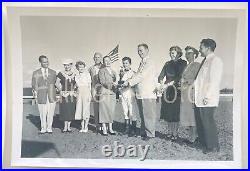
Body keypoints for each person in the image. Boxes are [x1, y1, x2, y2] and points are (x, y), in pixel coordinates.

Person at [123, 43, 158, 141]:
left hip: (148, 92)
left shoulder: (150, 62)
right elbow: (136, 75)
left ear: (147, 50)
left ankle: (150, 134)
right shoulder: (142, 62)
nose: (139, 53)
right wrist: (128, 80)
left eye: (141, 50)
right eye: (138, 51)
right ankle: (143, 132)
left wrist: (128, 82)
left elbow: (142, 75)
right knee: (143, 114)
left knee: (148, 114)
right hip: (140, 92)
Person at [194, 38, 223, 154]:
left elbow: (214, 80)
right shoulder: (205, 61)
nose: (199, 50)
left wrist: (208, 96)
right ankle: (204, 143)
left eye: (201, 48)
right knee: (201, 121)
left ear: (208, 48)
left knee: (208, 122)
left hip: (207, 98)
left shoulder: (216, 61)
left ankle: (213, 147)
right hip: (200, 97)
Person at [158, 46, 187, 140]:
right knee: (168, 112)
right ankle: (170, 132)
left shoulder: (183, 63)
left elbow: (180, 76)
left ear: (178, 53)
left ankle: (175, 133)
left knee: (175, 113)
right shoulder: (167, 64)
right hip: (167, 91)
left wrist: (168, 84)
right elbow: (161, 76)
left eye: (173, 53)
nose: (171, 54)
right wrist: (162, 83)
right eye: (170, 53)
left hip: (176, 90)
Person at [179, 46, 200, 143]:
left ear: (195, 54)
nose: (188, 55)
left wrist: (185, 81)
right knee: (187, 115)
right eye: (186, 53)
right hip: (184, 93)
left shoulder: (197, 65)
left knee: (192, 116)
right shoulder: (186, 66)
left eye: (190, 53)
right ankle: (191, 137)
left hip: (191, 92)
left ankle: (194, 137)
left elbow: (198, 80)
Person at [32, 55, 57, 134]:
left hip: (51, 95)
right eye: (44, 62)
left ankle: (49, 128)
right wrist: (35, 97)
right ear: (40, 62)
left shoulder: (53, 72)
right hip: (41, 95)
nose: (46, 63)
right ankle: (43, 128)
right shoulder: (36, 73)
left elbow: (55, 84)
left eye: (47, 61)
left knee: (51, 112)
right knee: (42, 112)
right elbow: (34, 85)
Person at [56, 59, 77, 133]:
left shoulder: (75, 74)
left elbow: (76, 84)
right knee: (65, 110)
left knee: (71, 110)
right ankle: (65, 127)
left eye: (68, 65)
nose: (67, 66)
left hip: (72, 94)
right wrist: (61, 91)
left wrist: (74, 90)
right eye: (65, 65)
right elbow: (56, 83)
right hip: (64, 95)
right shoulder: (60, 74)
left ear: (71, 65)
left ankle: (69, 127)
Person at [98, 56, 117, 136]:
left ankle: (110, 128)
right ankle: (104, 129)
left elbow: (116, 81)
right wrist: (112, 85)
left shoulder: (114, 71)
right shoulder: (101, 71)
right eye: (105, 61)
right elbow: (102, 82)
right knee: (104, 111)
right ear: (103, 62)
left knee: (111, 111)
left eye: (109, 60)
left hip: (112, 93)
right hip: (104, 92)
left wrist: (116, 86)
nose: (108, 62)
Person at [118, 57, 137, 136]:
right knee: (125, 111)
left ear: (130, 64)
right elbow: (119, 83)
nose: (125, 65)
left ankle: (133, 130)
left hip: (130, 94)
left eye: (126, 63)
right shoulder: (121, 73)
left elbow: (134, 84)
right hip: (123, 94)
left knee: (132, 112)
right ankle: (127, 129)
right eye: (124, 63)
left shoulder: (133, 73)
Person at [74, 61, 92, 133]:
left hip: (86, 92)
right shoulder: (76, 76)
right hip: (79, 93)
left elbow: (89, 85)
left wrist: (90, 94)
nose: (81, 68)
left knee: (86, 110)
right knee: (80, 109)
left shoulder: (87, 75)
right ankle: (82, 126)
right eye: (79, 67)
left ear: (84, 67)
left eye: (82, 67)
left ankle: (86, 126)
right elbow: (76, 86)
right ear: (77, 68)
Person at [89, 52, 103, 133]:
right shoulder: (91, 68)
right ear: (93, 58)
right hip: (94, 88)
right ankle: (97, 125)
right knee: (96, 107)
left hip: (103, 89)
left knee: (103, 107)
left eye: (98, 57)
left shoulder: (104, 67)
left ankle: (103, 125)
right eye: (95, 57)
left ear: (101, 58)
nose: (97, 59)